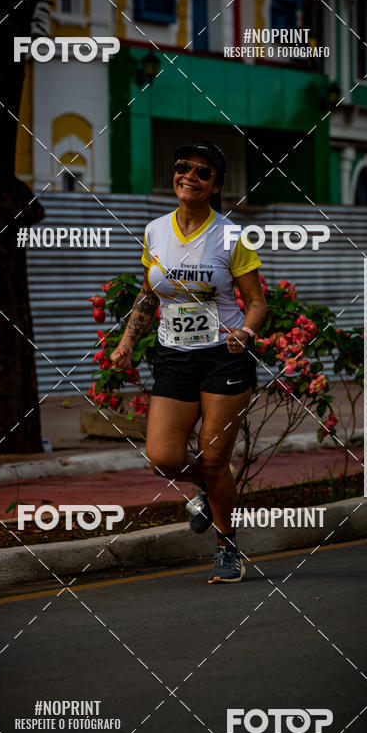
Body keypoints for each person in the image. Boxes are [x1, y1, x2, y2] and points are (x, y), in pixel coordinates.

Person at [111, 141, 267, 583]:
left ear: (215, 184)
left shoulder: (231, 236)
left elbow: (256, 302)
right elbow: (148, 293)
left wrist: (247, 332)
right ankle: (207, 487)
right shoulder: (155, 231)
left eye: (202, 172)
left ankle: (227, 546)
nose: (190, 177)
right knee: (162, 457)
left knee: (216, 459)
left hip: (224, 357)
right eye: (183, 168)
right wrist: (126, 341)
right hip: (173, 356)